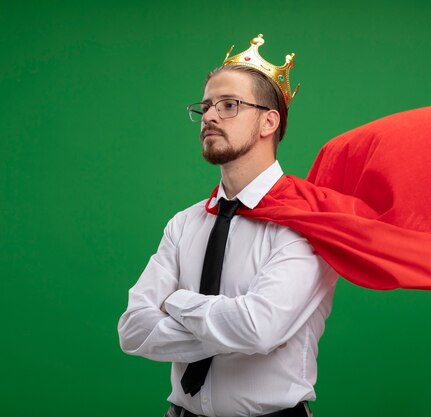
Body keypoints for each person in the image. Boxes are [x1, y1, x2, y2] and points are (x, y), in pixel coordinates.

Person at [118, 34, 337, 417]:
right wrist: (232, 331)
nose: (209, 116)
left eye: (229, 105)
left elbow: (257, 328)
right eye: (205, 107)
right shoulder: (185, 223)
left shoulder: (306, 224)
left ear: (270, 120)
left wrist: (173, 302)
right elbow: (133, 329)